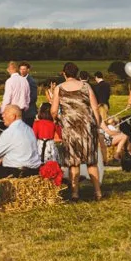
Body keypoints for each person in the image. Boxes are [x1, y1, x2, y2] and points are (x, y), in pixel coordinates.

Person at [51, 64, 102, 201]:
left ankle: (75, 194)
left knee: (74, 162)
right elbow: (95, 108)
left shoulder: (59, 88)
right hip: (87, 127)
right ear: (77, 73)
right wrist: (97, 124)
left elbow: (54, 110)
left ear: (64, 74)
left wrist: (56, 120)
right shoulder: (86, 87)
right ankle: (97, 192)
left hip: (70, 128)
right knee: (91, 161)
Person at [0, 105, 42, 178]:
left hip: (16, 171)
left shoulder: (11, 131)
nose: (2, 116)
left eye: (5, 113)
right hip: (33, 170)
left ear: (13, 116)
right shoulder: (29, 129)